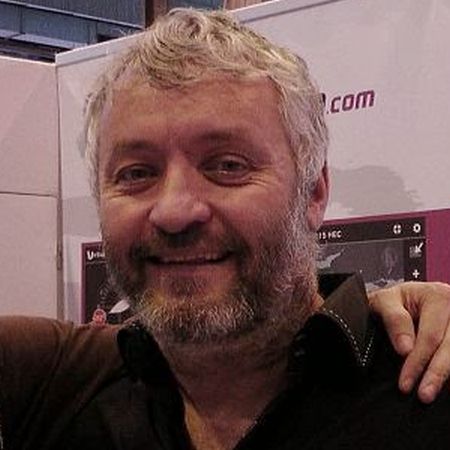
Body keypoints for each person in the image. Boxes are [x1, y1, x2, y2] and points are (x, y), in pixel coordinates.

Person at [1, 8, 450, 450]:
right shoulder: (61, 389)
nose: (174, 211)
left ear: (313, 192)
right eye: (136, 173)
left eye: (228, 165)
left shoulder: (428, 397)